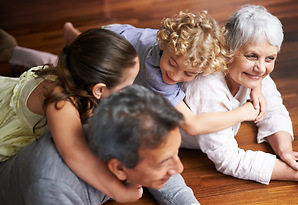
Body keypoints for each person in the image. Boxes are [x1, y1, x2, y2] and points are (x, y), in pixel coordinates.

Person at [0, 85, 224, 205]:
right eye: (165, 161)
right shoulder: (52, 190)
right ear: (118, 168)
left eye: (175, 153)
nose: (180, 167)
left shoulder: (116, 130)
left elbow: (156, 163)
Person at [1, 11, 267, 137]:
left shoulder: (192, 53)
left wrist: (256, 86)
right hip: (110, 48)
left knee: (71, 54)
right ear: (165, 45)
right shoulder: (155, 72)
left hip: (115, 34)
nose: (174, 76)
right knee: (66, 73)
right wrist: (243, 113)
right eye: (172, 63)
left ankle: (75, 39)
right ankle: (69, 43)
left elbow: (234, 65)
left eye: (189, 73)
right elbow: (192, 125)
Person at [180, 4, 298, 190]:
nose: (262, 68)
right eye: (252, 56)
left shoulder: (252, 73)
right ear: (227, 49)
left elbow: (272, 109)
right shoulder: (207, 87)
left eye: (270, 58)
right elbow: (229, 160)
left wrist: (286, 151)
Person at [0, 28, 144, 203]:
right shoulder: (60, 102)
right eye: (126, 87)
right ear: (99, 89)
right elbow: (75, 153)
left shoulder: (76, 69)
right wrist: (120, 193)